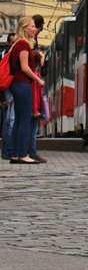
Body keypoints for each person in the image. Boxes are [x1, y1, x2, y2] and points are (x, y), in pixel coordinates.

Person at [7, 17, 44, 165]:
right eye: (32, 26)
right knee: (24, 120)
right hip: (22, 84)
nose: (35, 29)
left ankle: (15, 155)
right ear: (24, 28)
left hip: (17, 85)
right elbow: (24, 67)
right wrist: (38, 80)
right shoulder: (23, 44)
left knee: (18, 121)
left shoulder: (18, 44)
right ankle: (22, 154)